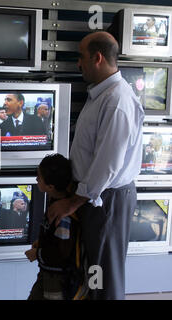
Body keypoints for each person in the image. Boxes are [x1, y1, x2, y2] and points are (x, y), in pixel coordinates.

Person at [47, 31, 145, 300]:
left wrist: (71, 203)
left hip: (106, 200)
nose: (78, 63)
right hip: (95, 199)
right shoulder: (102, 95)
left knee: (104, 277)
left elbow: (107, 165)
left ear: (97, 58)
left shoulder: (117, 101)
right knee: (92, 271)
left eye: (81, 56)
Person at [26, 153, 83, 300]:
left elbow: (61, 254)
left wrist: (37, 253)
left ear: (50, 186)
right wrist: (42, 243)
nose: (36, 179)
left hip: (56, 279)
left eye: (39, 176)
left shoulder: (64, 217)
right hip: (46, 272)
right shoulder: (56, 203)